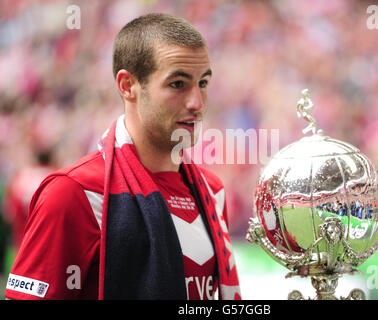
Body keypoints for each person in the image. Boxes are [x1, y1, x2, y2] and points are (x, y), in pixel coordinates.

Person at [5, 13, 241, 300]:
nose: (197, 103)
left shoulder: (211, 191)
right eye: (178, 84)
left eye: (203, 83)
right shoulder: (73, 193)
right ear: (127, 85)